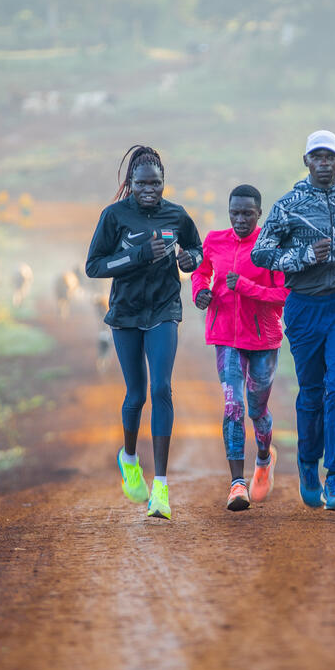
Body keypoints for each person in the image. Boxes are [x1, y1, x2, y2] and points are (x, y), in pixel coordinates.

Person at [252, 130, 335, 512]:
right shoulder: (288, 205)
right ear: (306, 161)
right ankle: (308, 464)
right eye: (317, 157)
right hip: (304, 306)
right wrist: (303, 256)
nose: (324, 163)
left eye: (330, 157)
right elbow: (262, 253)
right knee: (311, 390)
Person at [85, 144, 202, 520]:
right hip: (126, 313)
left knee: (162, 388)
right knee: (136, 394)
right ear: (130, 184)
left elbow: (196, 249)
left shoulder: (178, 215)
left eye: (156, 183)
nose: (149, 189)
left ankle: (161, 489)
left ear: (164, 182)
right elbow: (94, 266)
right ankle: (130, 458)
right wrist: (139, 256)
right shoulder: (114, 216)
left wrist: (190, 259)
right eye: (142, 184)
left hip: (165, 309)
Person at [191, 184, 285, 512]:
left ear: (259, 213)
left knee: (257, 411)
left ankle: (263, 458)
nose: (240, 219)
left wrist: (244, 287)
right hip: (225, 337)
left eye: (247, 213)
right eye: (234, 213)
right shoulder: (215, 240)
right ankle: (236, 484)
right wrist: (201, 292)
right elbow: (201, 273)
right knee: (233, 405)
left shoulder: (271, 245)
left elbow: (283, 296)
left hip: (263, 339)